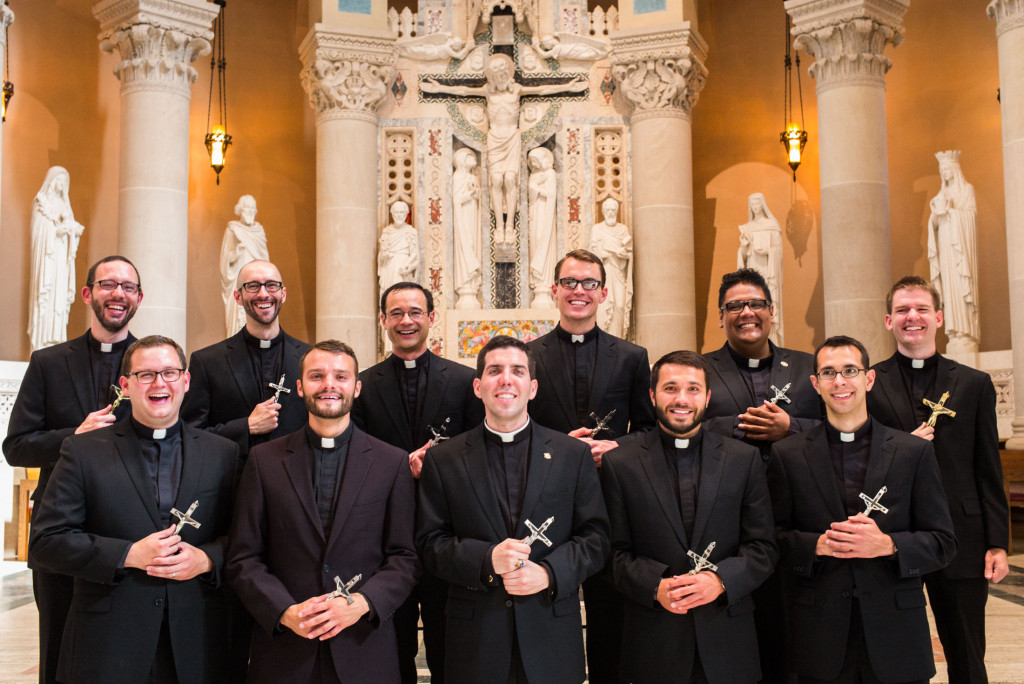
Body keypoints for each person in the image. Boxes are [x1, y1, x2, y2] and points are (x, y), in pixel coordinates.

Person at [28, 335, 241, 684]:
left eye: (170, 372)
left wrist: (207, 560)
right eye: (146, 375)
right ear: (126, 385)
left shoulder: (224, 454)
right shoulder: (82, 451)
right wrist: (128, 554)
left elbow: (245, 538)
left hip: (196, 644)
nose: (159, 383)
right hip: (108, 646)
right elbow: (47, 541)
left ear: (186, 381)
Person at [416, 336, 609, 684]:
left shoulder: (571, 455)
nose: (506, 379)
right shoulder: (443, 460)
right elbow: (430, 544)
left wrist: (548, 573)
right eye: (494, 371)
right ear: (478, 386)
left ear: (532, 388)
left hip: (551, 635)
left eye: (517, 371)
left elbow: (595, 539)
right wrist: (487, 559)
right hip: (475, 644)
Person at [227, 340, 419, 684]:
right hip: (285, 651)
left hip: (364, 648)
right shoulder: (264, 461)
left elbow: (404, 556)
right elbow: (243, 557)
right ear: (300, 387)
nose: (329, 384)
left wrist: (363, 602)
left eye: (340, 376)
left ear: (356, 387)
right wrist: (285, 612)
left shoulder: (391, 462)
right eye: (317, 376)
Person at [769, 335, 957, 683]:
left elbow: (943, 542)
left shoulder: (912, 452)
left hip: (897, 635)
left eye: (850, 370)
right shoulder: (788, 455)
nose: (839, 381)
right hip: (819, 635)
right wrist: (816, 546)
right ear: (816, 384)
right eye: (828, 372)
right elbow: (771, 540)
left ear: (868, 379)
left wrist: (889, 545)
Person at [4, 255, 142, 684]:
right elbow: (16, 447)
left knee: (128, 652)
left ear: (139, 298)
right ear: (87, 294)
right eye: (107, 284)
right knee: (59, 652)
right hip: (63, 531)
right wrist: (74, 436)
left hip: (129, 533)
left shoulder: (154, 365)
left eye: (127, 287)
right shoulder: (48, 362)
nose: (117, 294)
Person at [601, 350, 777, 683]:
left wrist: (720, 580)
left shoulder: (743, 459)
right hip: (653, 645)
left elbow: (763, 547)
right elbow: (611, 553)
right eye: (670, 388)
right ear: (652, 395)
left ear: (708, 397)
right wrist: (656, 585)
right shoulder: (620, 464)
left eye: (693, 389)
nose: (682, 399)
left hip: (728, 639)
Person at [867, 276, 1009, 683]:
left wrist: (997, 541)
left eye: (921, 309)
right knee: (896, 654)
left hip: (961, 534)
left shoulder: (974, 384)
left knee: (966, 651)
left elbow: (987, 467)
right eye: (902, 311)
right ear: (888, 321)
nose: (912, 317)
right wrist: (900, 446)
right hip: (893, 533)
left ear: (940, 318)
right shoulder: (869, 383)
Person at [526, 248, 654, 684]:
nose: (578, 291)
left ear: (603, 292)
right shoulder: (527, 357)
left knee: (610, 612)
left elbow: (651, 430)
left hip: (612, 498)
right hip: (545, 502)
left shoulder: (633, 357)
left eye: (589, 284)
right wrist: (558, 446)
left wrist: (616, 446)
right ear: (554, 289)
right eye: (570, 283)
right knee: (546, 604)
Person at [351, 281, 484, 683]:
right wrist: (398, 466)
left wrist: (439, 465)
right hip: (385, 539)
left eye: (414, 313)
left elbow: (479, 453)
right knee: (392, 645)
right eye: (396, 314)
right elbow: (354, 456)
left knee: (451, 646)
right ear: (382, 321)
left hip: (448, 533)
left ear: (431, 318)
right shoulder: (362, 385)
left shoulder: (465, 382)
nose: (406, 321)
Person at [420, 54, 587, 243]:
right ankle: (499, 226)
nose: (500, 80)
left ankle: (510, 227)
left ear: (508, 75)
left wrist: (567, 87)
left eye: (502, 75)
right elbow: (464, 91)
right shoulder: (488, 92)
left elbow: (543, 90)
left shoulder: (515, 90)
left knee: (510, 179)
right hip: (495, 139)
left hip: (511, 138)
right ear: (491, 77)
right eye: (495, 76)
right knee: (496, 179)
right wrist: (440, 88)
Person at [182, 259, 310, 457]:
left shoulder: (309, 359)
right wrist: (246, 426)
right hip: (233, 481)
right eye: (253, 286)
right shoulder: (207, 362)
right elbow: (191, 435)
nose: (263, 293)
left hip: (295, 480)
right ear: (238, 297)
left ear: (283, 294)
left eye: (271, 285)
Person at [703, 268, 821, 457]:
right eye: (734, 306)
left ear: (771, 312)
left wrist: (792, 427)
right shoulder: (701, 370)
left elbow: (839, 425)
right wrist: (734, 426)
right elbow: (678, 427)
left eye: (757, 304)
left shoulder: (809, 366)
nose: (747, 312)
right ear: (721, 317)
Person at [28, 166, 85, 351]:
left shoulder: (64, 205)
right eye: (59, 180)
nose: (62, 185)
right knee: (47, 293)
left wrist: (73, 231)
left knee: (59, 297)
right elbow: (38, 231)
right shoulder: (41, 201)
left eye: (64, 181)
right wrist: (57, 231)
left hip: (61, 259)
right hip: (47, 258)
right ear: (52, 181)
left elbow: (69, 223)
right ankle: (41, 340)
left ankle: (56, 338)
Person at [927, 151, 979, 352]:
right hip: (946, 249)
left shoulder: (967, 190)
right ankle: (954, 330)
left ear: (955, 169)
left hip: (962, 251)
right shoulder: (940, 196)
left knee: (961, 288)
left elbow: (971, 218)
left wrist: (951, 213)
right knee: (949, 289)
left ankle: (966, 332)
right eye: (943, 169)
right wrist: (935, 216)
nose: (945, 171)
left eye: (949, 168)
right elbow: (934, 224)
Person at [737, 193, 784, 345]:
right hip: (753, 267)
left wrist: (769, 251)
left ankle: (772, 343)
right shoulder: (748, 228)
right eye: (753, 205)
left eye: (758, 204)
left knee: (768, 302)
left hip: (768, 271)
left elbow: (778, 251)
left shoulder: (772, 225)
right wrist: (743, 247)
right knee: (751, 302)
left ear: (763, 205)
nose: (756, 207)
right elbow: (743, 255)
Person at [220, 194, 269, 337]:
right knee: (239, 318)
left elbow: (265, 260)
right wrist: (237, 252)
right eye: (247, 207)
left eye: (253, 208)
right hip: (238, 280)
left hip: (259, 282)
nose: (250, 211)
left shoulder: (259, 231)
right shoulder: (233, 230)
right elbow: (225, 262)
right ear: (240, 210)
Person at [588, 197, 633, 338]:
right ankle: (603, 339)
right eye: (608, 209)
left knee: (619, 305)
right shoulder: (597, 229)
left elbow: (629, 253)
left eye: (613, 209)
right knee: (603, 304)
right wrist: (604, 253)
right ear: (603, 211)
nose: (611, 212)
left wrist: (623, 254)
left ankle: (618, 339)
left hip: (618, 272)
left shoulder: (623, 230)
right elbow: (592, 253)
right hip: (602, 273)